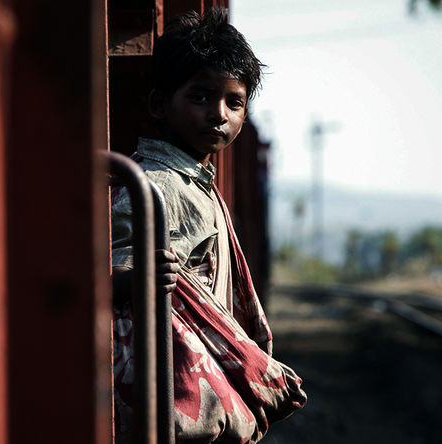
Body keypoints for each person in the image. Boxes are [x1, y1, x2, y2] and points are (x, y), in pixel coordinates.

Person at [111, 8, 307, 443]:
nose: (219, 114)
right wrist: (133, 279)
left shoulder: (197, 183)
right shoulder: (156, 187)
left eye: (234, 102)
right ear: (161, 105)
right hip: (170, 396)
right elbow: (111, 274)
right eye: (200, 97)